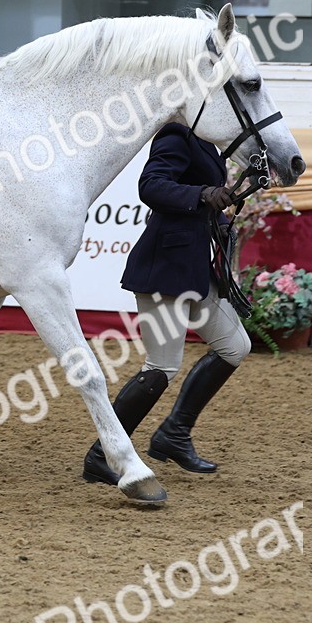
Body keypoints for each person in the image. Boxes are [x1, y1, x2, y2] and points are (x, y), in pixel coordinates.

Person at [82, 122, 251, 485]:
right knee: (162, 366)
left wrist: (220, 203)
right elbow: (152, 186)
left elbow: (197, 198)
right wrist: (204, 193)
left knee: (235, 347)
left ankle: (173, 434)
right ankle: (103, 454)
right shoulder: (176, 135)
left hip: (195, 270)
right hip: (167, 267)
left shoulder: (207, 141)